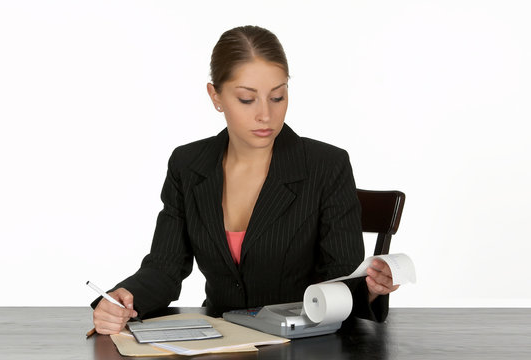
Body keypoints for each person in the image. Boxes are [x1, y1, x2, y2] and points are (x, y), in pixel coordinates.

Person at [91, 25, 399, 335]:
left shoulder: (327, 166)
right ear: (216, 96)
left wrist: (369, 288)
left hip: (304, 344)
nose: (266, 115)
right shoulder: (188, 165)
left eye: (277, 96)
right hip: (220, 340)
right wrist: (125, 298)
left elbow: (341, 279)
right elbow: (164, 267)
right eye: (247, 100)